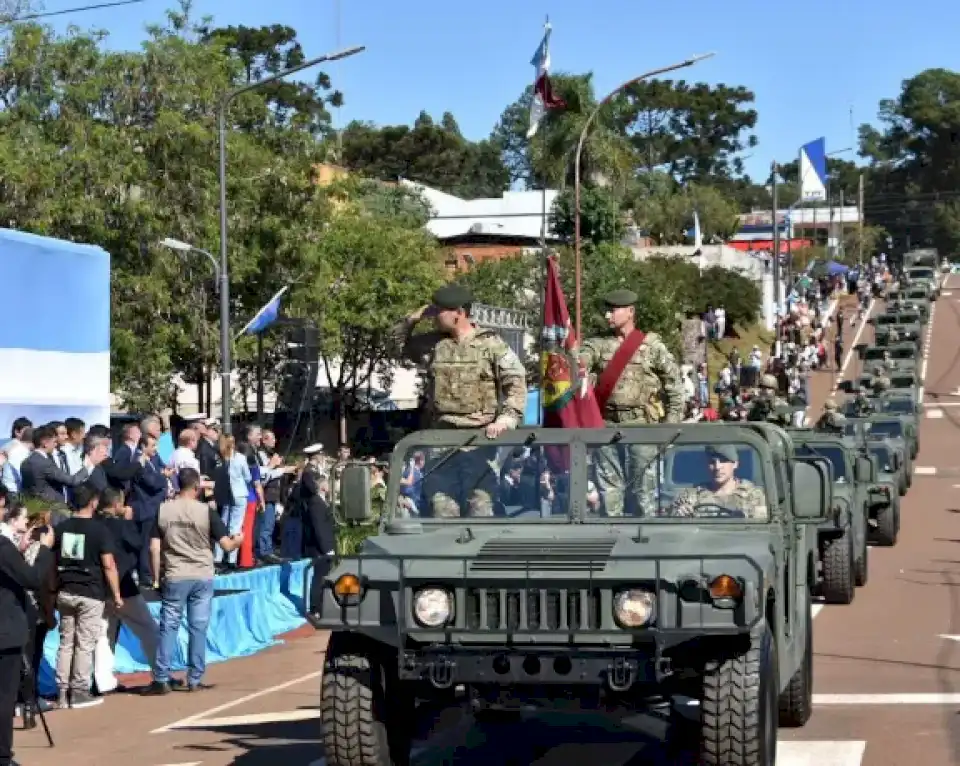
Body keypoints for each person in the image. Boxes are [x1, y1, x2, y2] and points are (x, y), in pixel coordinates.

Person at [391, 284, 527, 518]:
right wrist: (411, 319)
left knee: (481, 508)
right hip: (442, 440)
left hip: (480, 441)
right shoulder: (434, 345)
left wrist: (506, 419)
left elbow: (516, 382)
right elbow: (395, 346)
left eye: (439, 311)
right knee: (442, 509)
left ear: (459, 313)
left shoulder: (490, 344)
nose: (433, 316)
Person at [579, 289, 684, 517]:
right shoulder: (598, 344)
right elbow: (581, 360)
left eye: (613, 310)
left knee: (643, 492)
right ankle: (612, 538)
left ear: (630, 311)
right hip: (607, 426)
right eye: (607, 310)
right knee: (609, 492)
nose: (608, 315)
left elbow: (674, 386)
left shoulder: (652, 346)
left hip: (642, 426)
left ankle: (645, 543)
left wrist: (669, 426)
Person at [143, 468, 242, 695]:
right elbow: (226, 545)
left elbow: (154, 547)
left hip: (175, 574)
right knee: (198, 627)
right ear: (197, 487)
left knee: (169, 626)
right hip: (201, 574)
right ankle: (195, 678)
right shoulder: (206, 512)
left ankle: (161, 677)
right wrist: (239, 540)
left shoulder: (163, 510)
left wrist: (157, 578)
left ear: (178, 485)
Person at [53, 483, 122, 710]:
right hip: (90, 592)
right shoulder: (99, 530)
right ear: (93, 502)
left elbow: (53, 561)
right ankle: (79, 690)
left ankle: (63, 691)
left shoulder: (61, 528)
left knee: (66, 642)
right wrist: (117, 594)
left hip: (65, 590)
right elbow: (109, 564)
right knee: (84, 644)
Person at [0, 513, 54, 766]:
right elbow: (31, 579)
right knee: (4, 696)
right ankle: (3, 756)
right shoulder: (2, 546)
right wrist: (42, 550)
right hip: (5, 631)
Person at [662, 445, 768, 519]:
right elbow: (671, 521)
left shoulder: (753, 495)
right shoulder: (691, 495)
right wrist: (679, 514)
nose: (717, 467)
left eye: (723, 461)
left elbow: (762, 528)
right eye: (712, 462)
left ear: (735, 464)